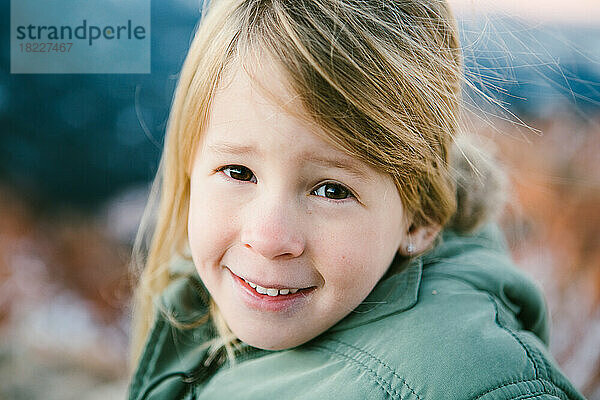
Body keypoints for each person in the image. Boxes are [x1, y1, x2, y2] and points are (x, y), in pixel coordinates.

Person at [127, 0, 586, 398]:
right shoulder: (208, 306)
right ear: (190, 165)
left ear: (420, 217)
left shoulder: (480, 381)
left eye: (331, 190)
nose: (268, 238)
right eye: (238, 172)